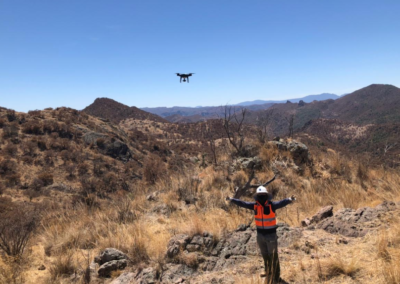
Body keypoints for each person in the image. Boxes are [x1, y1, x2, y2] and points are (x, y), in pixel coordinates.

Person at [226, 186, 296, 283]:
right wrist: (232, 200)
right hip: (260, 235)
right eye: (260, 195)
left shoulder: (272, 205)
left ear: (267, 196)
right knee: (265, 255)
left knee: (273, 257)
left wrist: (289, 199)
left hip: (271, 235)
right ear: (257, 196)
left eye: (263, 195)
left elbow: (281, 203)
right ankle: (268, 271)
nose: (261, 197)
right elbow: (243, 203)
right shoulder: (255, 206)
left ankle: (276, 277)